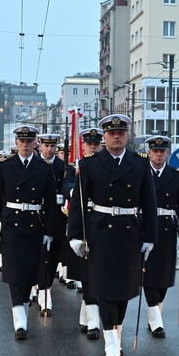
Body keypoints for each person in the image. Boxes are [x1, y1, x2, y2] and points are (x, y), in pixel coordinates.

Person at [68, 115, 158, 356]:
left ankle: (115, 334)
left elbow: (149, 203)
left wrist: (150, 238)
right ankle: (110, 345)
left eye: (120, 132)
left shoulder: (140, 165)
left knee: (124, 291)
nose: (116, 136)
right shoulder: (89, 165)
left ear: (126, 135)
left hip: (129, 232)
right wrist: (74, 236)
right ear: (104, 136)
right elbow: (78, 205)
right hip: (100, 232)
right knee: (105, 290)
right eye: (111, 133)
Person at [0, 125, 57, 341]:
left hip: (34, 225)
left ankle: (23, 309)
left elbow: (51, 204)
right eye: (22, 141)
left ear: (36, 143)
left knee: (30, 273)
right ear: (16, 143)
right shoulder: (5, 167)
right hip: (12, 225)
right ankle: (20, 322)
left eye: (29, 141)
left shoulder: (44, 168)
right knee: (15, 274)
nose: (25, 145)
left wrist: (50, 231)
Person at [142, 135, 179, 338]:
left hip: (167, 229)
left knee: (164, 277)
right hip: (146, 228)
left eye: (162, 152)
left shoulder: (176, 175)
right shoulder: (142, 173)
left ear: (167, 153)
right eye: (155, 151)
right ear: (149, 152)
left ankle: (155, 313)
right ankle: (155, 319)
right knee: (148, 274)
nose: (159, 155)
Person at [63, 128, 104, 338]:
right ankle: (91, 322)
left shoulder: (105, 167)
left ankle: (89, 318)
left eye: (97, 145)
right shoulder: (75, 168)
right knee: (86, 275)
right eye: (89, 145)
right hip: (84, 224)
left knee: (97, 276)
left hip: (102, 224)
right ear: (84, 146)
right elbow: (68, 185)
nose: (93, 148)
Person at [32, 133, 68, 316]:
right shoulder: (34, 166)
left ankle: (46, 288)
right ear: (40, 146)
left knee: (53, 257)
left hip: (57, 217)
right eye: (46, 146)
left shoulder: (63, 168)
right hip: (37, 218)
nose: (49, 149)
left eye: (52, 146)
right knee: (38, 257)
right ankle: (43, 293)